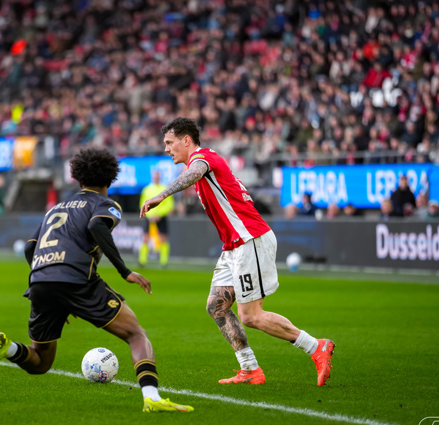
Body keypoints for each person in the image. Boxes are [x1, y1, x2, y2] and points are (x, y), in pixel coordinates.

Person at [0, 148, 193, 413]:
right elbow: (96, 226)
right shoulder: (105, 204)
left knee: (40, 362)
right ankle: (152, 398)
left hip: (40, 281)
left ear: (78, 178)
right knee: (135, 334)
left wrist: (50, 285)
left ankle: (7, 348)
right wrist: (125, 271)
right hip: (76, 278)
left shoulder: (56, 208)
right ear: (111, 178)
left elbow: (30, 248)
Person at [140, 117, 335, 386]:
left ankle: (316, 346)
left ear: (186, 140)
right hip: (234, 246)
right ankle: (250, 368)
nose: (166, 149)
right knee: (216, 306)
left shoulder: (203, 158)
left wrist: (162, 195)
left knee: (251, 315)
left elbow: (194, 172)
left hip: (250, 239)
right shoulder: (205, 164)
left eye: (169, 142)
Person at [138, 171, 174, 267]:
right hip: (149, 217)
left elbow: (169, 204)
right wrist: (149, 215)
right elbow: (142, 203)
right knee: (145, 238)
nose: (156, 178)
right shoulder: (147, 189)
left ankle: (164, 262)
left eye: (157, 176)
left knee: (163, 238)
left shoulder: (165, 188)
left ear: (160, 177)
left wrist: (160, 214)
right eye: (155, 176)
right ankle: (142, 261)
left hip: (161, 217)